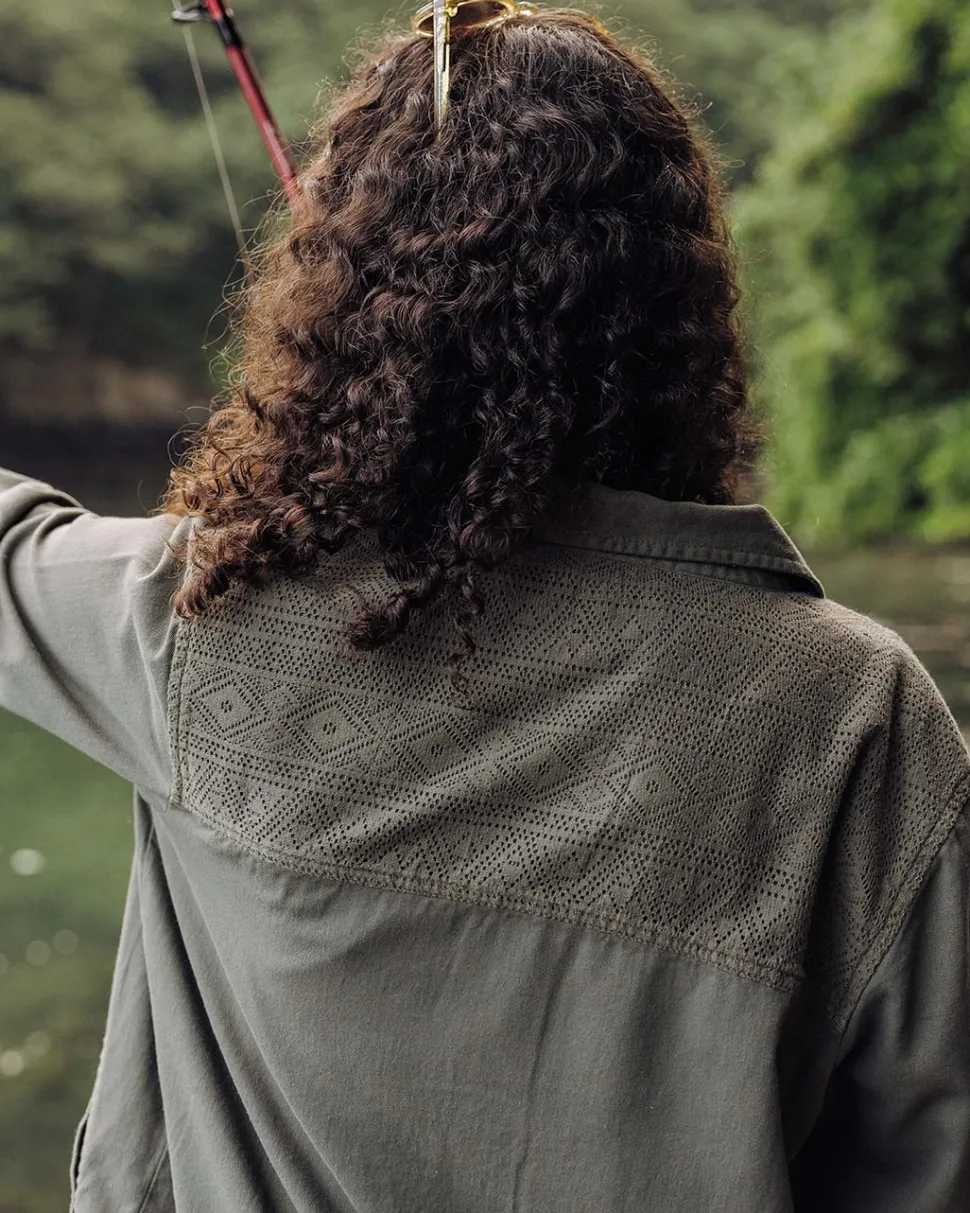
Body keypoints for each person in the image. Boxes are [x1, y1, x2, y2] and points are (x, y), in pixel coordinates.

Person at [2, 5, 968, 1211]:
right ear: (674, 309)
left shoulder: (194, 620)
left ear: (345, 301)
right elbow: (926, 1162)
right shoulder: (855, 712)